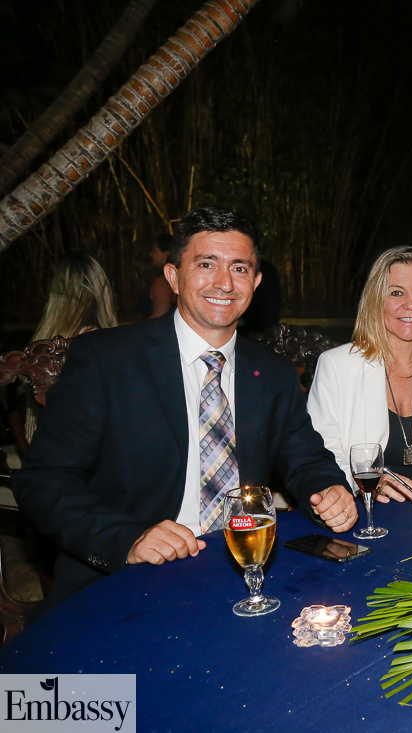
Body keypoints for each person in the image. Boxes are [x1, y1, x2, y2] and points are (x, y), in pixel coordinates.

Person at [13, 206, 356, 615]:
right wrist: (127, 538)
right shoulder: (107, 359)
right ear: (173, 276)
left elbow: (308, 461)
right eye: (206, 264)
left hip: (245, 569)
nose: (224, 283)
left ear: (255, 282)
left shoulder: (273, 373)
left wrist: (330, 489)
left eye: (240, 268)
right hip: (128, 584)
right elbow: (44, 481)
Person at [307, 246, 412, 502]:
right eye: (397, 292)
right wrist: (366, 480)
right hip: (365, 509)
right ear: (376, 300)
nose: (411, 304)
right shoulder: (336, 366)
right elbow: (321, 455)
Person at [15, 250, 120, 446]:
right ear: (101, 290)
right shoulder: (95, 341)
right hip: (78, 451)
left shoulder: (41, 342)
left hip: (40, 448)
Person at [145, 234, 176, 319]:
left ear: (166, 254)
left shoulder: (162, 282)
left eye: (154, 250)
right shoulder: (174, 278)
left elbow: (159, 315)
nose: (151, 254)